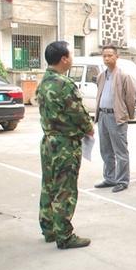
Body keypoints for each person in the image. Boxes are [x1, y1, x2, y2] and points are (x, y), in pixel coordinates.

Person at [36, 40, 93, 249]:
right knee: (65, 189)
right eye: (71, 54)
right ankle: (64, 235)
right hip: (65, 144)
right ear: (64, 59)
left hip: (48, 142)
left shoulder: (44, 81)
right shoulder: (64, 84)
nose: (72, 58)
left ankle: (49, 228)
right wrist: (89, 128)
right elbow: (78, 113)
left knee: (48, 185)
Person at [93, 45, 136, 193]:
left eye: (110, 55)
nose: (107, 58)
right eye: (104, 56)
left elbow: (131, 97)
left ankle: (122, 180)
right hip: (102, 115)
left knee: (120, 151)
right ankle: (109, 178)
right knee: (105, 150)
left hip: (116, 116)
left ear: (117, 57)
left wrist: (127, 115)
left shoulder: (124, 76)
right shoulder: (101, 76)